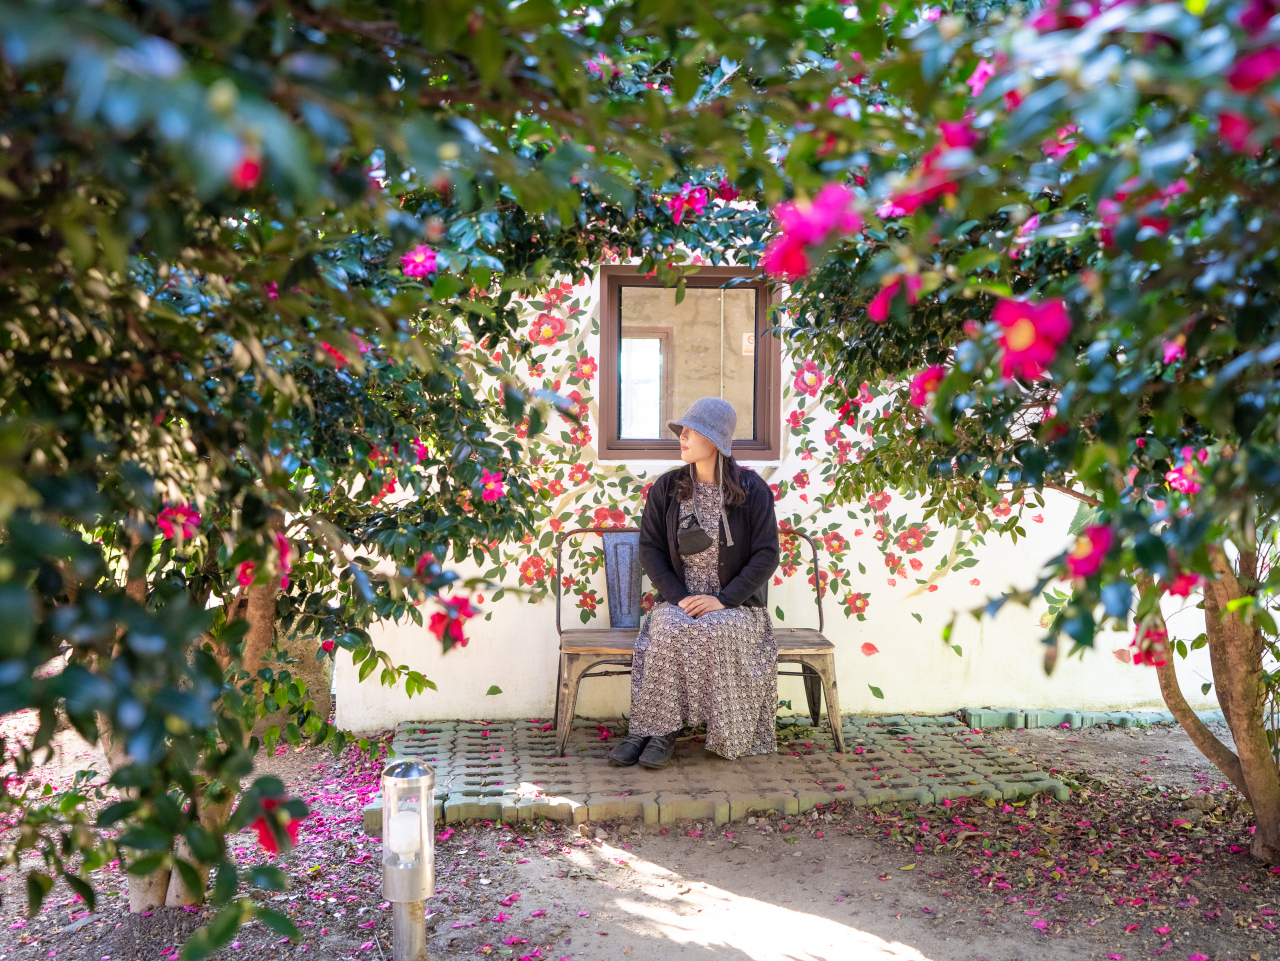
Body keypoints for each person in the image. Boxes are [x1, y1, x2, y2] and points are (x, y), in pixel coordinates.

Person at [607, 396, 781, 770]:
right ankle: (653, 730)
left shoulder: (752, 491)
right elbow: (650, 549)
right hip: (679, 601)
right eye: (682, 432)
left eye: (691, 432)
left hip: (736, 608)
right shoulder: (667, 488)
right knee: (668, 628)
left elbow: (767, 554)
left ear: (715, 440)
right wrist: (681, 598)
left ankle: (688, 729)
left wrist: (724, 599)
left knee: (716, 630)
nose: (682, 438)